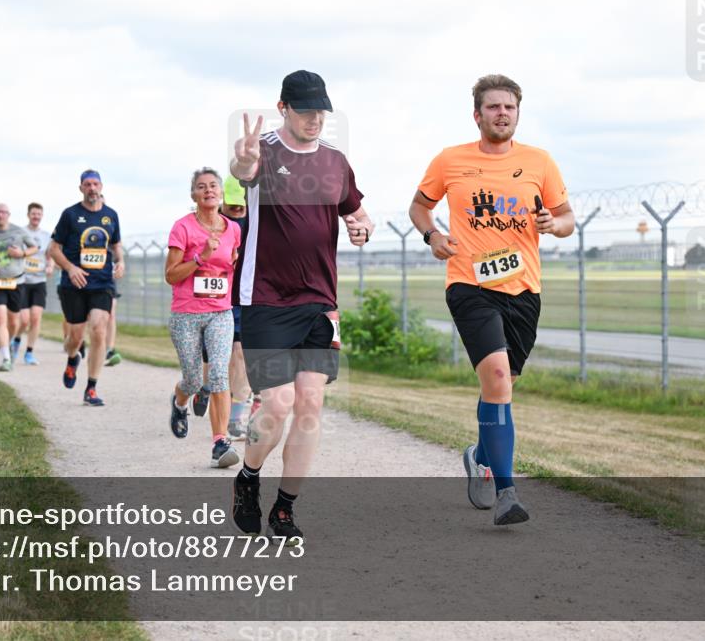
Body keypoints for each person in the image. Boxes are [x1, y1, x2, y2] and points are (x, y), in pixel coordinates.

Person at [409, 74, 575, 525]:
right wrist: (432, 234)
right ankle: (506, 492)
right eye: (494, 107)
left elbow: (567, 220)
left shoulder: (539, 162)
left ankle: (479, 453)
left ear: (517, 113)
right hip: (469, 284)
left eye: (510, 107)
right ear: (477, 114)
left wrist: (552, 226)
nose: (503, 113)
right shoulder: (450, 160)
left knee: (501, 387)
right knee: (498, 377)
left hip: (524, 290)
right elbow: (419, 206)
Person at [229, 70, 374, 543]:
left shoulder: (335, 161)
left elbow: (356, 211)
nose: (315, 119)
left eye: (321, 112)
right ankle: (249, 476)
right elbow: (242, 174)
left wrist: (361, 228)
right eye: (306, 110)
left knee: (310, 405)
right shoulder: (264, 150)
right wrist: (244, 162)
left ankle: (285, 509)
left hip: (320, 303)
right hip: (265, 300)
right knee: (277, 404)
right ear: (284, 107)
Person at [165, 168, 243, 468]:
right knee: (194, 379)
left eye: (213, 185)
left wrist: (229, 261)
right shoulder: (182, 228)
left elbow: (231, 261)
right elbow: (171, 275)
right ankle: (180, 402)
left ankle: (219, 443)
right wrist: (199, 258)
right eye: (201, 186)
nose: (208, 190)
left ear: (221, 193)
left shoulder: (232, 229)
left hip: (220, 313)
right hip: (186, 314)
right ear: (193, 195)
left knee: (219, 374)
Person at [48, 169, 124, 406]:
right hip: (74, 284)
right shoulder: (70, 215)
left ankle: (91, 387)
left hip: (102, 283)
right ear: (81, 188)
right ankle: (72, 358)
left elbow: (116, 245)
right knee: (75, 337)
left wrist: (120, 261)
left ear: (101, 187)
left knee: (100, 329)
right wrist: (70, 269)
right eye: (87, 184)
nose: (92, 188)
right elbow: (53, 249)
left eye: (95, 184)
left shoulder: (111, 215)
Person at [0, 203, 38, 372]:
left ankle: (7, 341)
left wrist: (22, 254)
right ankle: (6, 358)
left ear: (8, 214)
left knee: (13, 321)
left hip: (16, 281)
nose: (0, 215)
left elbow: (34, 247)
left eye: (3, 212)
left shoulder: (19, 231)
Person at [221, 175, 251, 439]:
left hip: (242, 298)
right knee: (216, 360)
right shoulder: (210, 222)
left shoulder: (256, 222)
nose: (237, 212)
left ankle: (236, 417)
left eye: (242, 207)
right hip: (211, 300)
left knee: (240, 354)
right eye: (232, 207)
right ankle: (203, 388)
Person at [12, 202, 54, 365]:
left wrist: (50, 265)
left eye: (39, 214)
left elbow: (50, 256)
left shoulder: (46, 235)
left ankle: (29, 352)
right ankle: (16, 340)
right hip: (22, 280)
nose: (36, 216)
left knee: (35, 318)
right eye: (33, 213)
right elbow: (14, 253)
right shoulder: (20, 233)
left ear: (42, 216)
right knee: (24, 320)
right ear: (28, 215)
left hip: (39, 281)